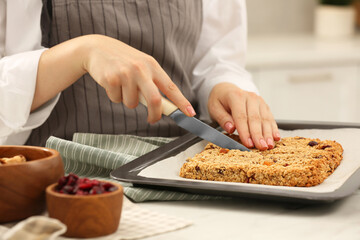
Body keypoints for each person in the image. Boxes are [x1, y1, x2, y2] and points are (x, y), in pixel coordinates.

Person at [0, 0, 280, 150]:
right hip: (58, 183)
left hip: (179, 167)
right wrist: (82, 52)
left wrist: (224, 86)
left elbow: (216, 59)